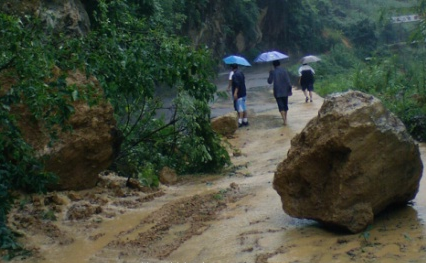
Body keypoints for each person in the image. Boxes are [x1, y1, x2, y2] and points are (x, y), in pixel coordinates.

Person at [267, 60, 292, 125]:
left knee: (281, 106)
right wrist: (290, 89)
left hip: (277, 91)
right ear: (279, 64)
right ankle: (285, 119)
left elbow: (269, 81)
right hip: (285, 90)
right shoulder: (284, 71)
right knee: (285, 105)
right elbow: (288, 81)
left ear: (273, 65)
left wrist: (270, 73)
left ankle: (284, 120)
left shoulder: (273, 72)